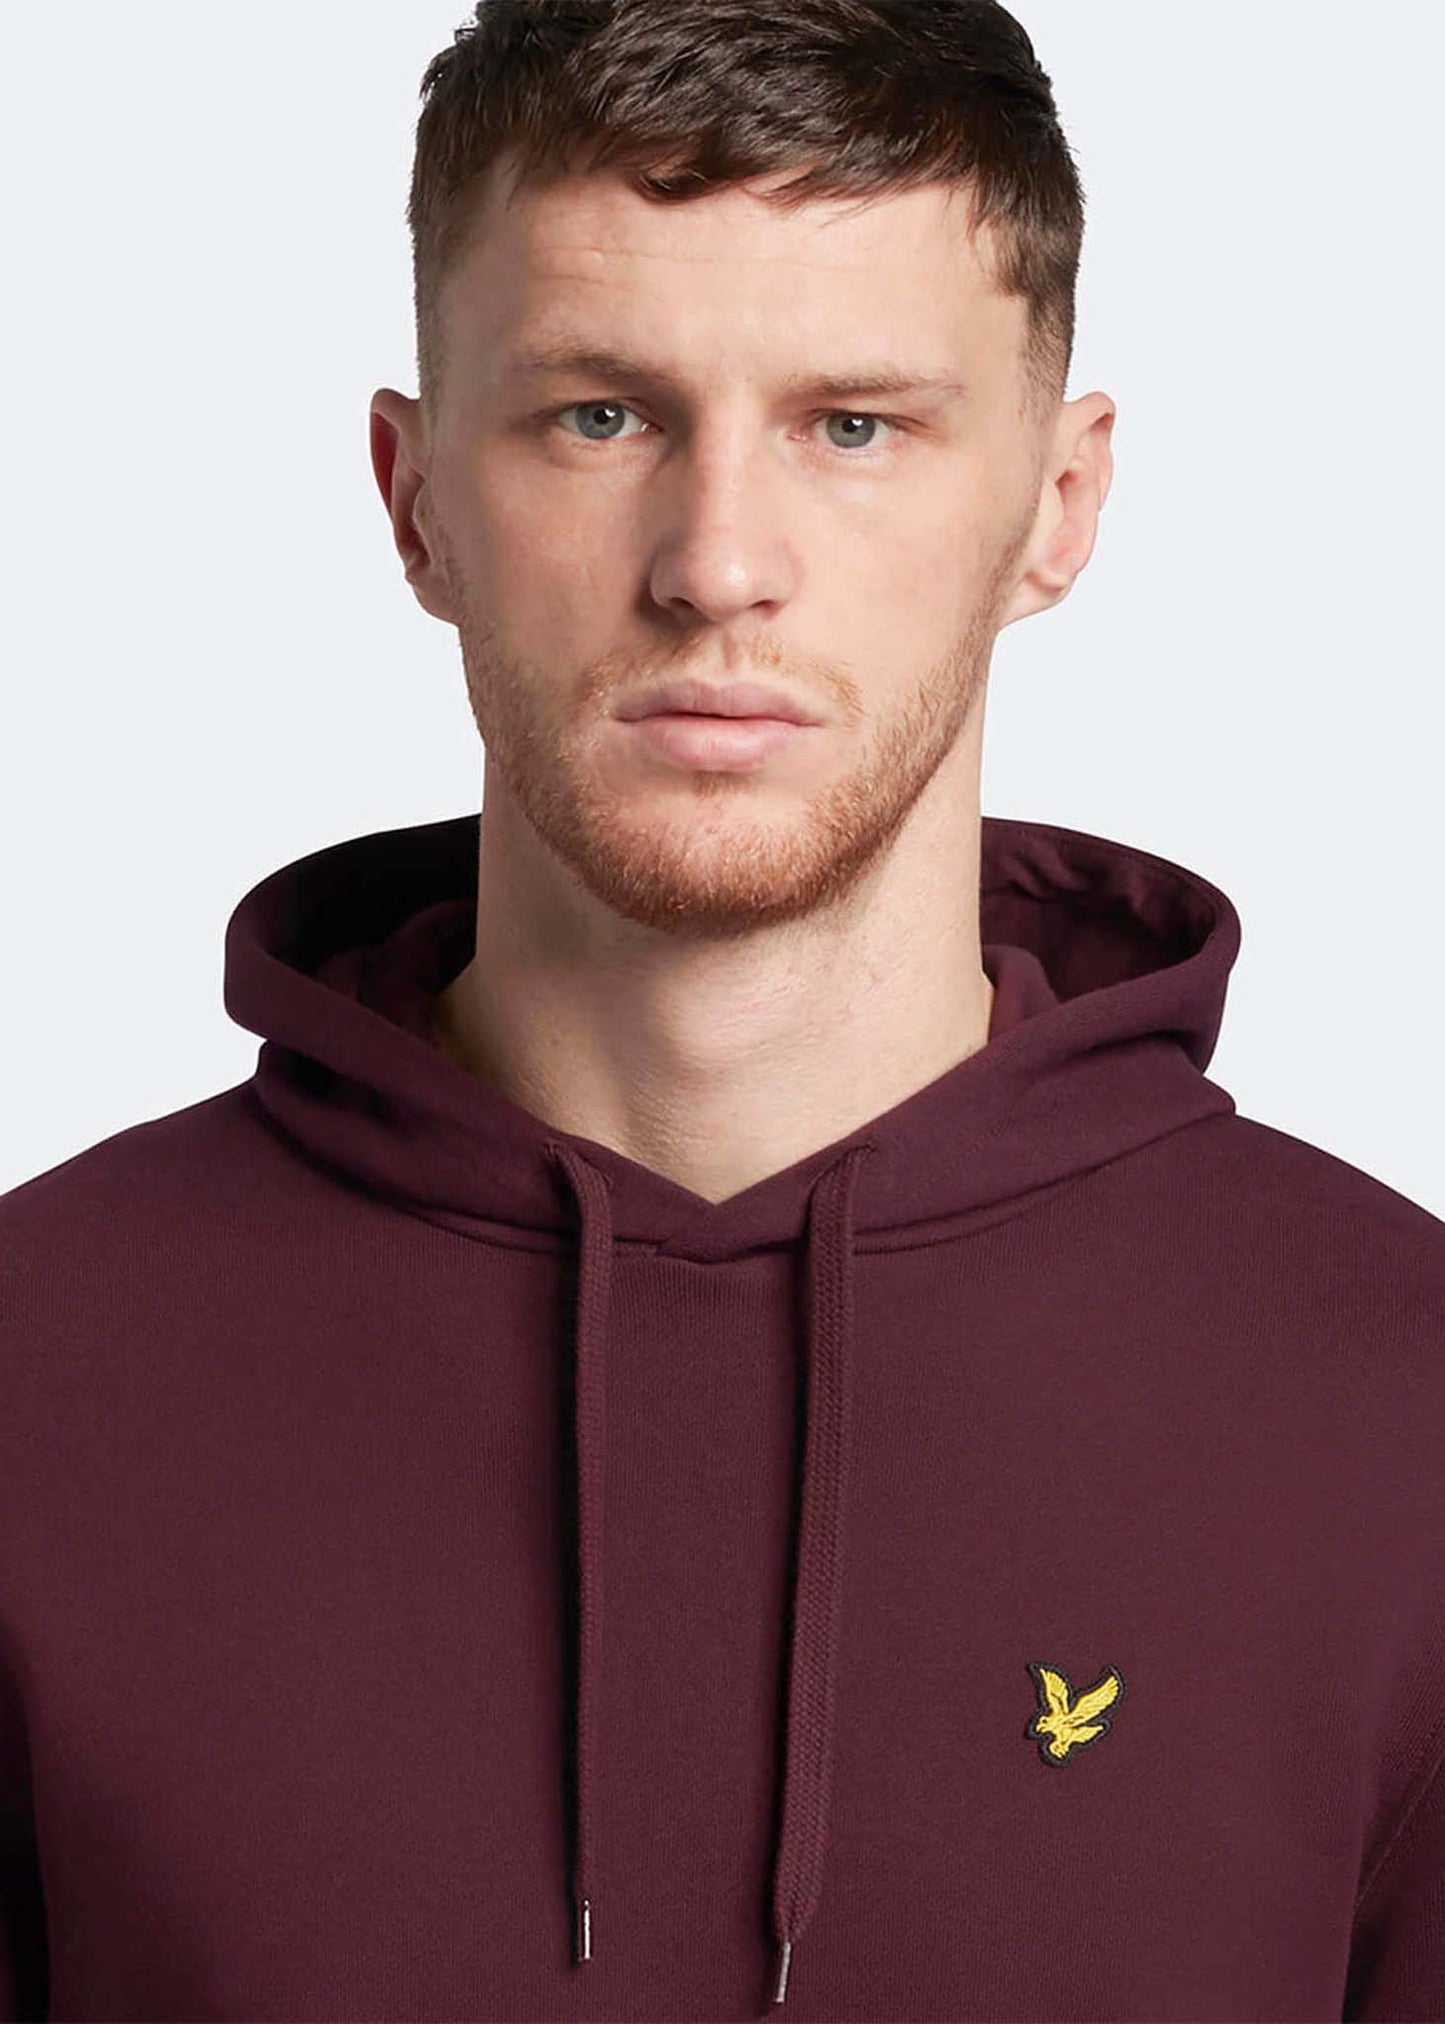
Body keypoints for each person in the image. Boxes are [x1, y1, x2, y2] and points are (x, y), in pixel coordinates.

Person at [2, 1, 1441, 2018]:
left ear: (1058, 501)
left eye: (854, 425)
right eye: (600, 416)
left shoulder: (1398, 1398)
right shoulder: (38, 1369)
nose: (717, 564)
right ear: (414, 498)